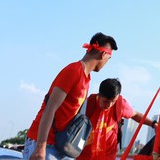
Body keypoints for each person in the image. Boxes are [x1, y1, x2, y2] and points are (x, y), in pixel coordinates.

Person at [24, 32, 118, 160]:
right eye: (109, 58)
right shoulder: (74, 71)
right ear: (103, 54)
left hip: (60, 146)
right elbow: (50, 108)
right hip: (44, 144)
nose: (107, 62)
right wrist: (40, 148)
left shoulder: (87, 78)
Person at [77, 78, 157, 160]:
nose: (109, 105)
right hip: (83, 156)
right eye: (106, 102)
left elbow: (135, 115)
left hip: (108, 156)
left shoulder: (120, 105)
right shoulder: (87, 104)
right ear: (99, 95)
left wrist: (153, 124)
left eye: (113, 101)